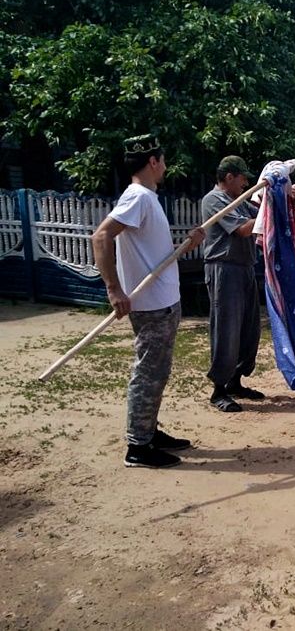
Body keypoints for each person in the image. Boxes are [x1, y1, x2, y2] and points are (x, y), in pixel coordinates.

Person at [91, 134, 205, 468]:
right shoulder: (138, 196)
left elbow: (154, 257)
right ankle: (138, 447)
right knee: (148, 372)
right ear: (153, 161)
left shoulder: (148, 198)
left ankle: (149, 431)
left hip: (163, 300)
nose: (166, 166)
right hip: (150, 305)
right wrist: (113, 290)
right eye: (164, 160)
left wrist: (188, 244)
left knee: (159, 371)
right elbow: (100, 237)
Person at [200, 156, 267, 413]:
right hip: (224, 269)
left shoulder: (237, 201)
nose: (246, 183)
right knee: (227, 329)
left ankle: (235, 381)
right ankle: (219, 389)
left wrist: (285, 196)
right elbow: (244, 229)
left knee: (248, 330)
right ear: (229, 177)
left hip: (245, 268)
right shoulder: (214, 200)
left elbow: (260, 215)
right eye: (242, 178)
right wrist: (265, 215)